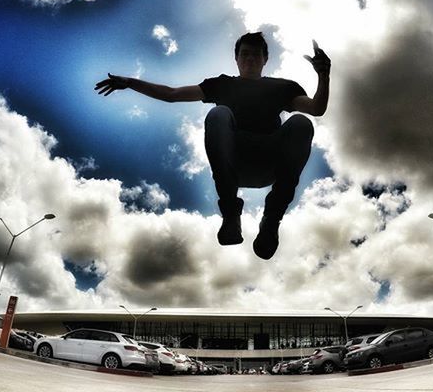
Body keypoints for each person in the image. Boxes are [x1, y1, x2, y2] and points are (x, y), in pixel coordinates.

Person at [95, 32, 330, 259]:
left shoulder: (283, 88)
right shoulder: (222, 85)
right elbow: (172, 94)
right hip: (235, 164)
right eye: (245, 54)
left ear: (265, 60)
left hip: (270, 163)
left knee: (301, 122)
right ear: (236, 59)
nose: (250, 59)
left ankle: (271, 219)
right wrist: (130, 83)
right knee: (218, 114)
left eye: (256, 55)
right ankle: (230, 213)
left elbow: (316, 108)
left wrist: (323, 75)